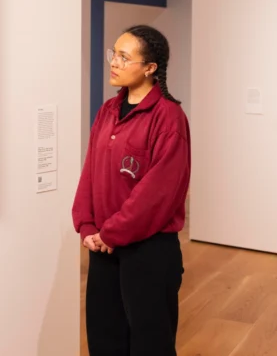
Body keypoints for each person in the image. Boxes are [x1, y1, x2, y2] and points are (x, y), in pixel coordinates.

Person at [72, 24, 190, 356]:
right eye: (114, 53)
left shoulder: (169, 118)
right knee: (104, 339)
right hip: (103, 247)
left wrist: (111, 233)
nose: (114, 62)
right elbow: (91, 173)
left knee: (150, 344)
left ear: (150, 68)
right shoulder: (108, 111)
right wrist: (87, 225)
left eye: (124, 57)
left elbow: (158, 194)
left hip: (148, 251)